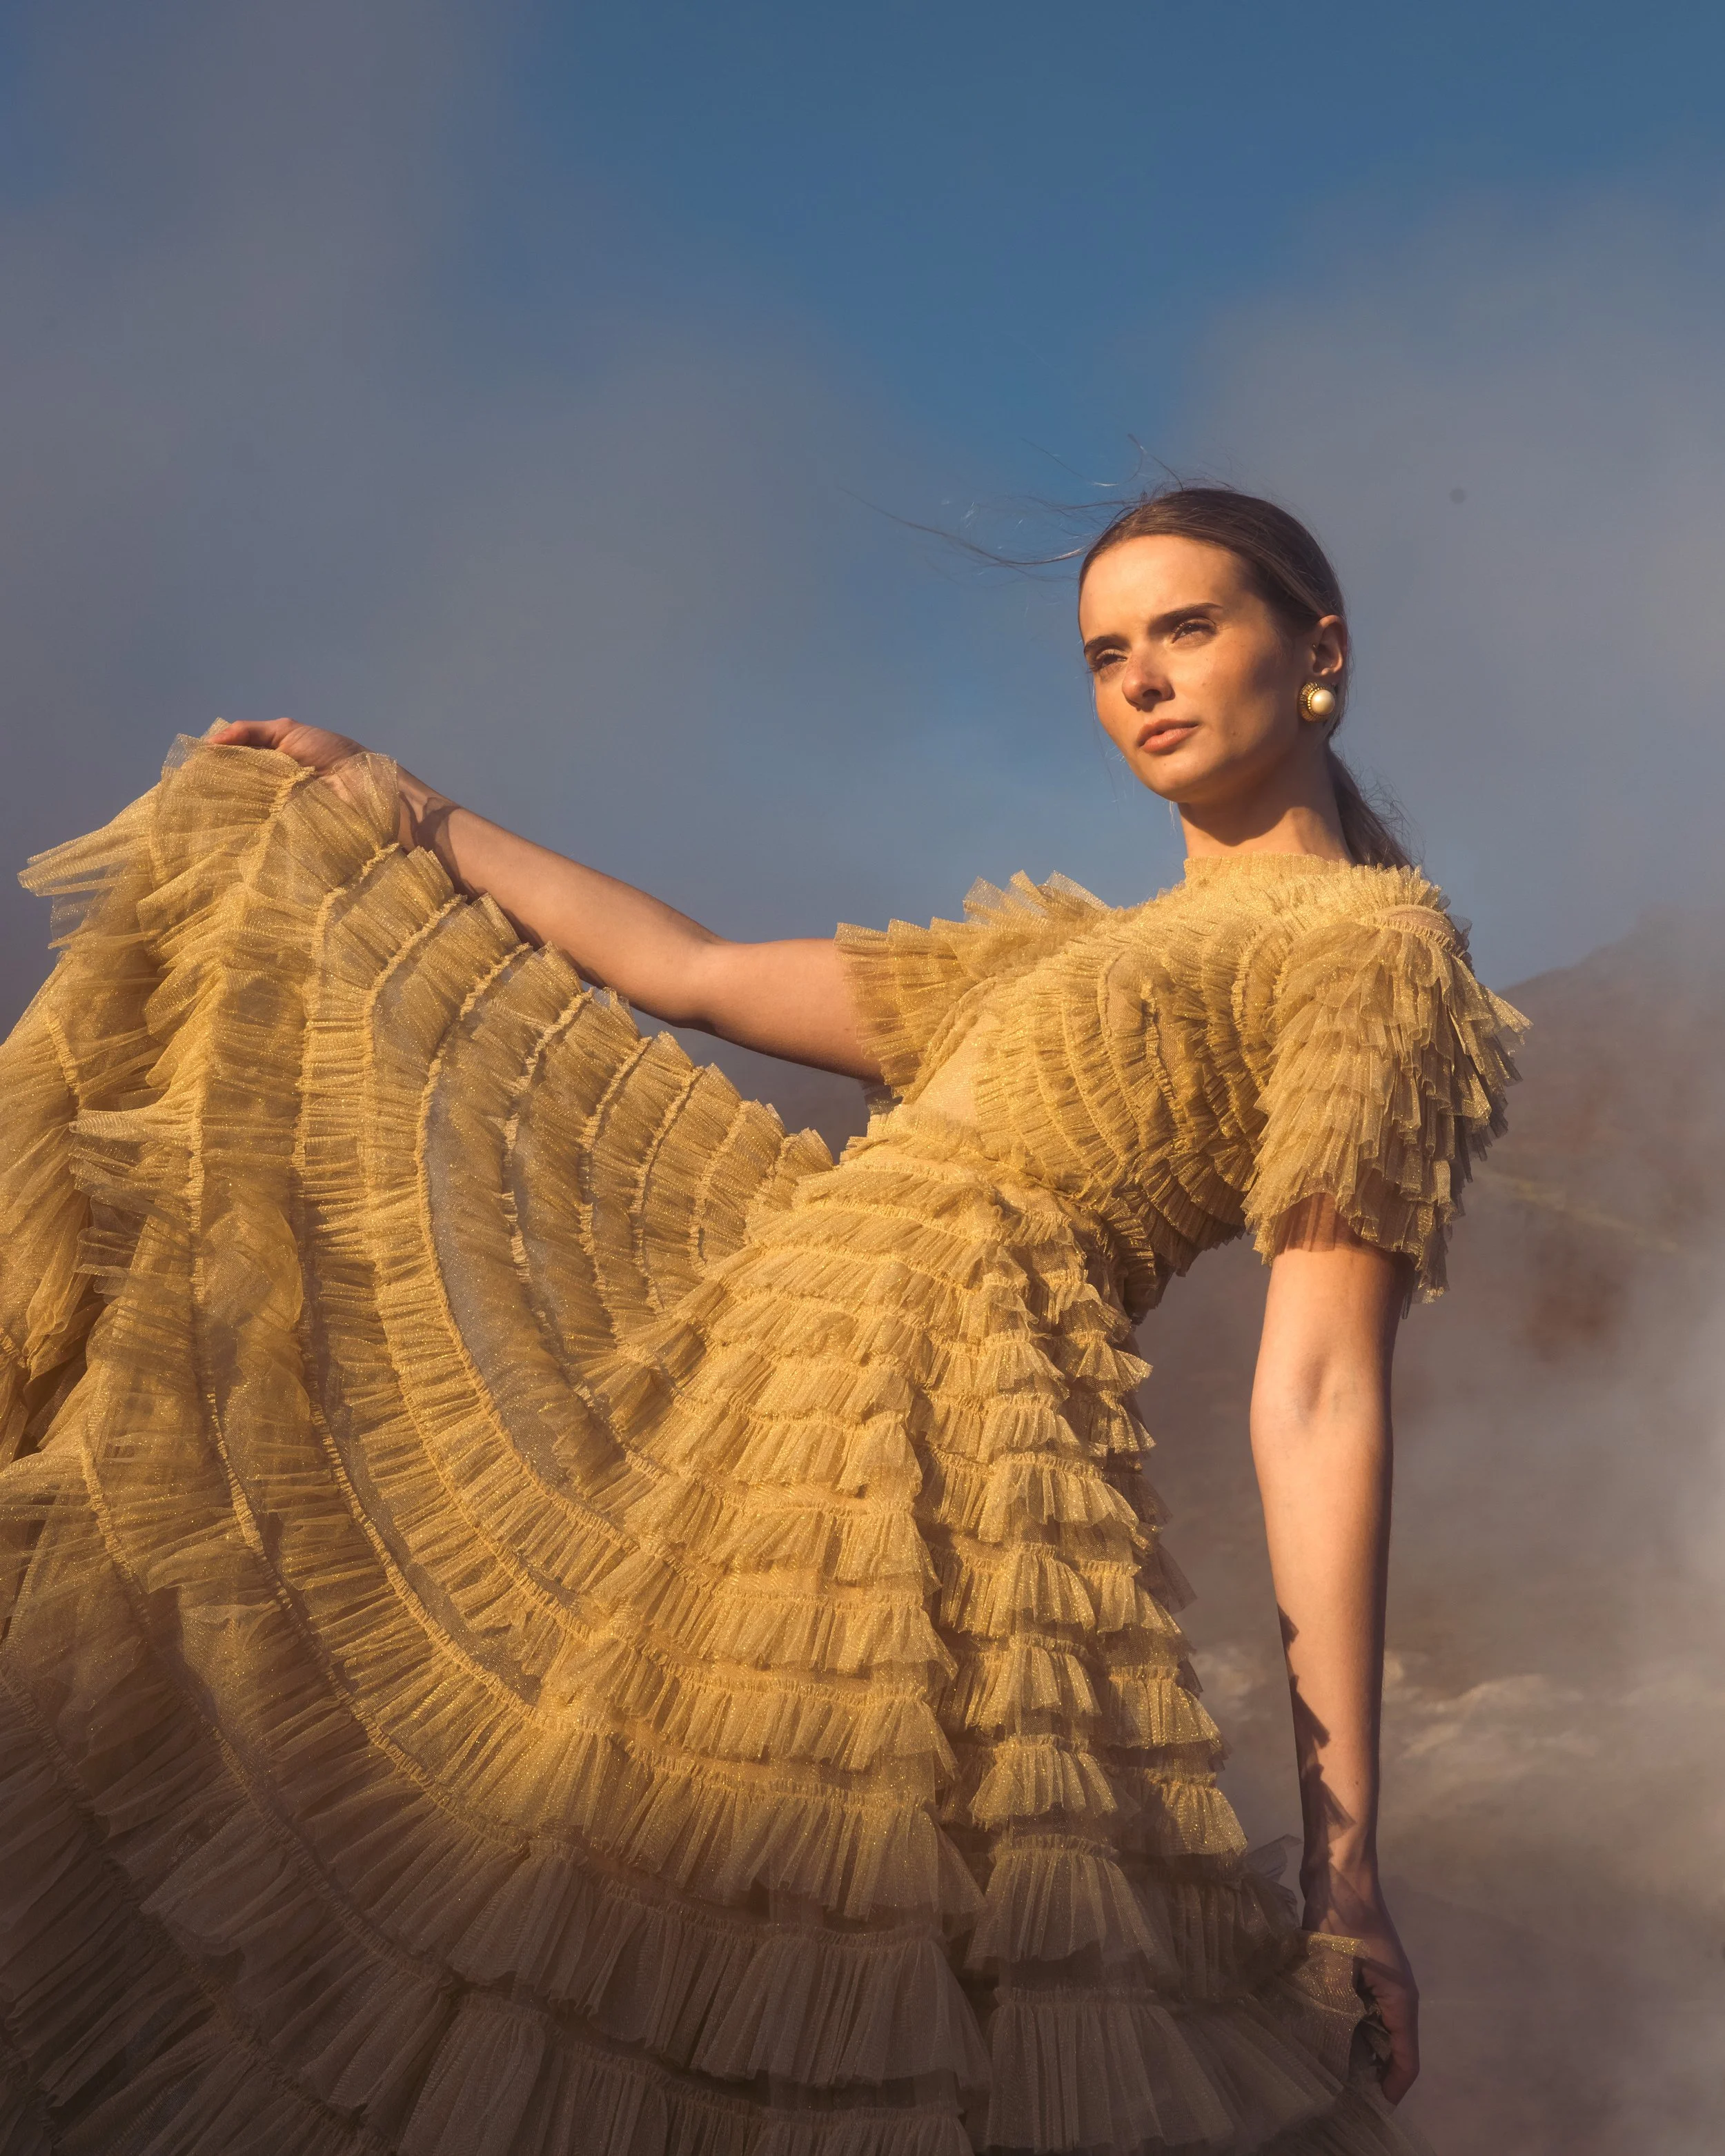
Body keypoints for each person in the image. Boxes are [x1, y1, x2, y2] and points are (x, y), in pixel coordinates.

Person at [0, 485, 1520, 2155]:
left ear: (1315, 653)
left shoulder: (1371, 947)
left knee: (884, 1960)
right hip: (766, 1399)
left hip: (951, 1450)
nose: (1140, 682)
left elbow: (1314, 1390)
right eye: (1103, 654)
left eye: (1185, 628)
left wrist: (1346, 1865)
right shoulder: (1052, 953)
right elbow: (693, 967)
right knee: (618, 1907)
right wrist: (401, 804)